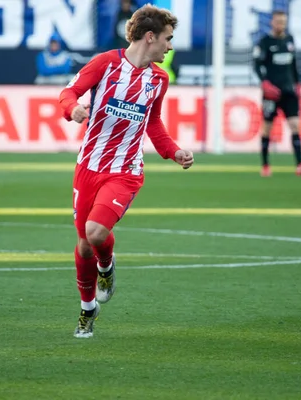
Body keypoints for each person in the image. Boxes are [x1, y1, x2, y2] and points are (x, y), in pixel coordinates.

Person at [59, 4, 194, 339]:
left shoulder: (158, 80)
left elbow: (154, 124)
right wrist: (73, 109)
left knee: (95, 232)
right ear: (150, 37)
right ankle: (88, 308)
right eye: (168, 38)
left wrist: (172, 151)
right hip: (88, 166)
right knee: (84, 244)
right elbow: (68, 92)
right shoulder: (105, 63)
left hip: (125, 170)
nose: (170, 46)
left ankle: (107, 266)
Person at [253, 10, 301, 177]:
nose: (281, 25)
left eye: (283, 22)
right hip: (271, 93)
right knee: (267, 129)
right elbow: (257, 65)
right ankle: (265, 166)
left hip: (289, 91)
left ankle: (300, 164)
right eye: (278, 21)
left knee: (295, 125)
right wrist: (264, 82)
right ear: (272, 23)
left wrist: (297, 83)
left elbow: (293, 64)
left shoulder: (289, 40)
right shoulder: (264, 42)